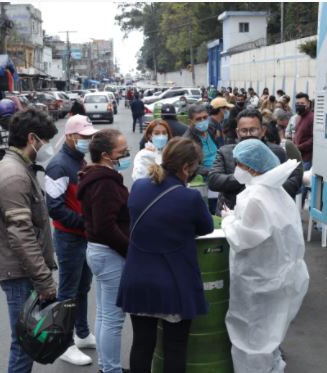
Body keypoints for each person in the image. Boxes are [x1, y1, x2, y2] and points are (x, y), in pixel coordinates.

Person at [117, 137, 214, 373]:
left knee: (142, 344)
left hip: (138, 279)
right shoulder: (189, 198)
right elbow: (206, 227)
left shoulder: (139, 187)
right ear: (185, 167)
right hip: (174, 282)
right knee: (175, 348)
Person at [221, 138, 309, 373]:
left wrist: (228, 219)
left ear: (250, 167)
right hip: (278, 276)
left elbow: (243, 238)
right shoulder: (276, 192)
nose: (236, 169)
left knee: (252, 338)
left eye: (239, 164)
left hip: (258, 279)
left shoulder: (256, 197)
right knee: (270, 335)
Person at [0, 108, 58, 373]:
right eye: (46, 141)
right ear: (32, 139)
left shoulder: (21, 168)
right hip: (20, 273)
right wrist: (43, 279)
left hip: (23, 271)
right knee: (23, 344)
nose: (48, 147)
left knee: (27, 343)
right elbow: (21, 234)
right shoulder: (14, 175)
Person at [44, 114, 98, 366]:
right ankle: (63, 343)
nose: (88, 140)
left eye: (90, 136)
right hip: (69, 238)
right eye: (84, 136)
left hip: (83, 237)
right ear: (70, 136)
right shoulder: (59, 165)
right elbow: (54, 208)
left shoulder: (78, 160)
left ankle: (82, 332)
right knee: (67, 292)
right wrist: (84, 223)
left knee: (83, 287)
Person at [78, 129, 130, 373]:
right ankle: (111, 369)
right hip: (109, 255)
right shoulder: (105, 183)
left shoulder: (96, 176)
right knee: (113, 319)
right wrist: (130, 251)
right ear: (106, 155)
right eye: (122, 152)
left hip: (99, 252)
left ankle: (107, 366)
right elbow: (105, 226)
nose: (126, 154)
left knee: (103, 314)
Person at [207, 109, 303, 215]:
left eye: (253, 130)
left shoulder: (276, 152)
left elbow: (294, 179)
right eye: (244, 131)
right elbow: (213, 180)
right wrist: (244, 178)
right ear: (237, 132)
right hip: (232, 213)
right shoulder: (226, 152)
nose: (248, 134)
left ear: (262, 131)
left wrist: (266, 185)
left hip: (266, 214)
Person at [183, 104, 220, 214]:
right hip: (202, 183)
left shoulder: (211, 130)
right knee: (209, 212)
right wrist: (210, 172)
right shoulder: (187, 140)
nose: (203, 121)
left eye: (205, 117)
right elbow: (190, 166)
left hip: (218, 179)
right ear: (191, 122)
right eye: (198, 119)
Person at [294, 92, 314, 204]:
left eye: (302, 103)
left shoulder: (311, 118)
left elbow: (313, 139)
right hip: (298, 157)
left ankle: (297, 212)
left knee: (302, 187)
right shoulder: (299, 118)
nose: (299, 105)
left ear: (308, 104)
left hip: (306, 158)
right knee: (297, 185)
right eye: (297, 103)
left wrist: (299, 147)